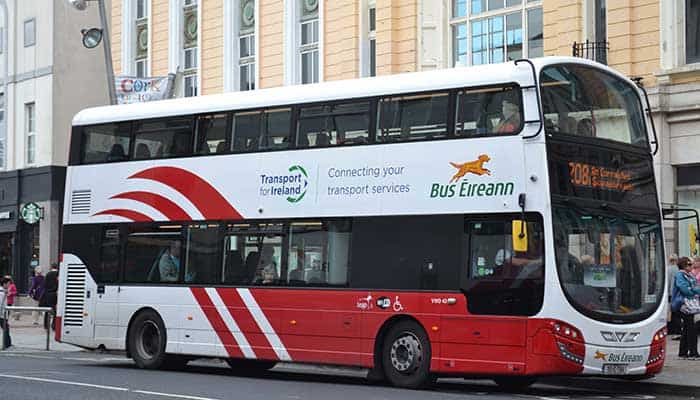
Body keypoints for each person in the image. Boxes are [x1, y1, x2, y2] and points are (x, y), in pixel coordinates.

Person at [671, 256, 700, 359]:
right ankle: (693, 352)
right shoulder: (680, 275)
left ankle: (683, 352)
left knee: (688, 328)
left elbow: (696, 287)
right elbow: (684, 288)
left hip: (690, 304)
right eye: (690, 264)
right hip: (683, 304)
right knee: (691, 329)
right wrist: (693, 291)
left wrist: (693, 290)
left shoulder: (690, 275)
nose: (692, 266)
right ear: (684, 265)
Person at [40, 263, 59, 331]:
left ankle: (46, 325)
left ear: (51, 267)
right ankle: (54, 325)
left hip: (48, 294)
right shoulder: (58, 273)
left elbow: (44, 285)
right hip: (56, 294)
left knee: (47, 310)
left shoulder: (48, 274)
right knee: (56, 310)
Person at [1, 277, 11, 348]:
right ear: (4, 284)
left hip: (3, 314)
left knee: (6, 328)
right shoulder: (1, 293)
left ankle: (7, 343)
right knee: (6, 328)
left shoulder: (4, 291)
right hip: (1, 314)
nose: (9, 285)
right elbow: (0, 304)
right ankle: (7, 343)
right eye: (8, 284)